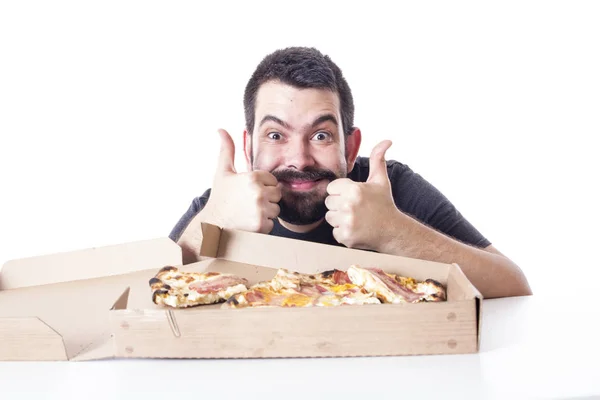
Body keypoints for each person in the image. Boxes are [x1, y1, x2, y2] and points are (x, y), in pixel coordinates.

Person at [169, 46, 532, 299]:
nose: (299, 158)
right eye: (276, 135)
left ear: (351, 147)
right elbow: (145, 291)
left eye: (321, 135)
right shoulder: (221, 203)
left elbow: (512, 283)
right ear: (249, 147)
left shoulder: (392, 191)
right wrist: (213, 220)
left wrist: (394, 233)